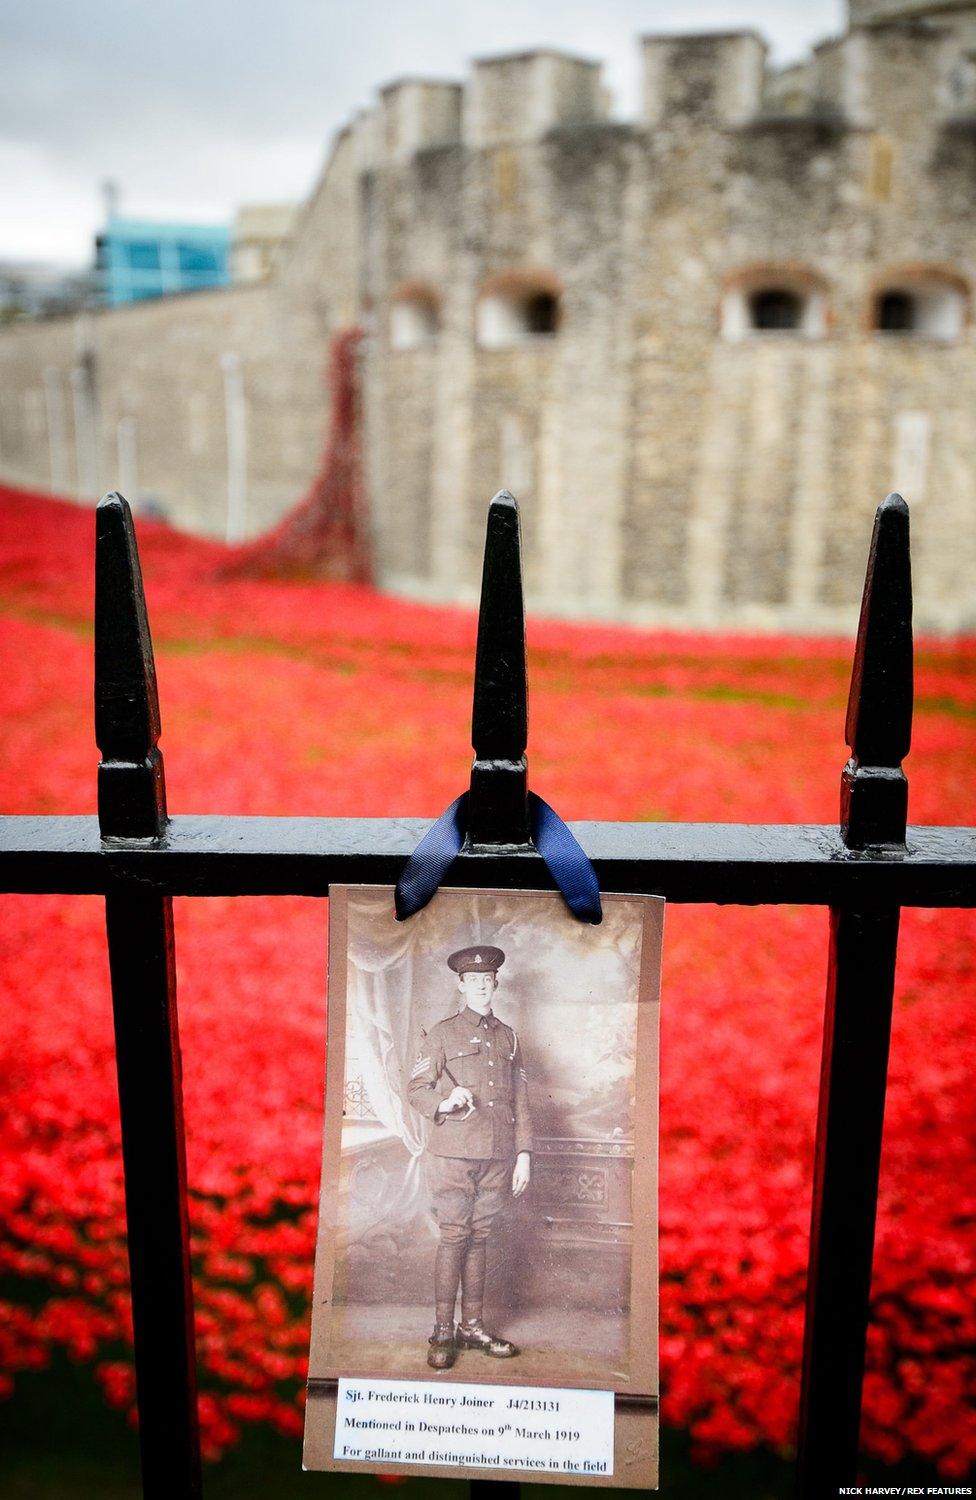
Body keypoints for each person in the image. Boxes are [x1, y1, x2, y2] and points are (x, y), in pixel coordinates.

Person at [407, 945, 532, 1370]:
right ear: (461, 985)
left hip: (498, 1155)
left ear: (496, 983)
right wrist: (446, 1100)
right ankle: (444, 1329)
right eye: (473, 981)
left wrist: (523, 1154)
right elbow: (417, 1089)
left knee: (480, 1237)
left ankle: (472, 1325)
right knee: (455, 1236)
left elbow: (522, 1102)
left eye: (487, 980)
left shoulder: (509, 1036)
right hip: (453, 1154)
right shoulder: (441, 1033)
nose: (481, 986)